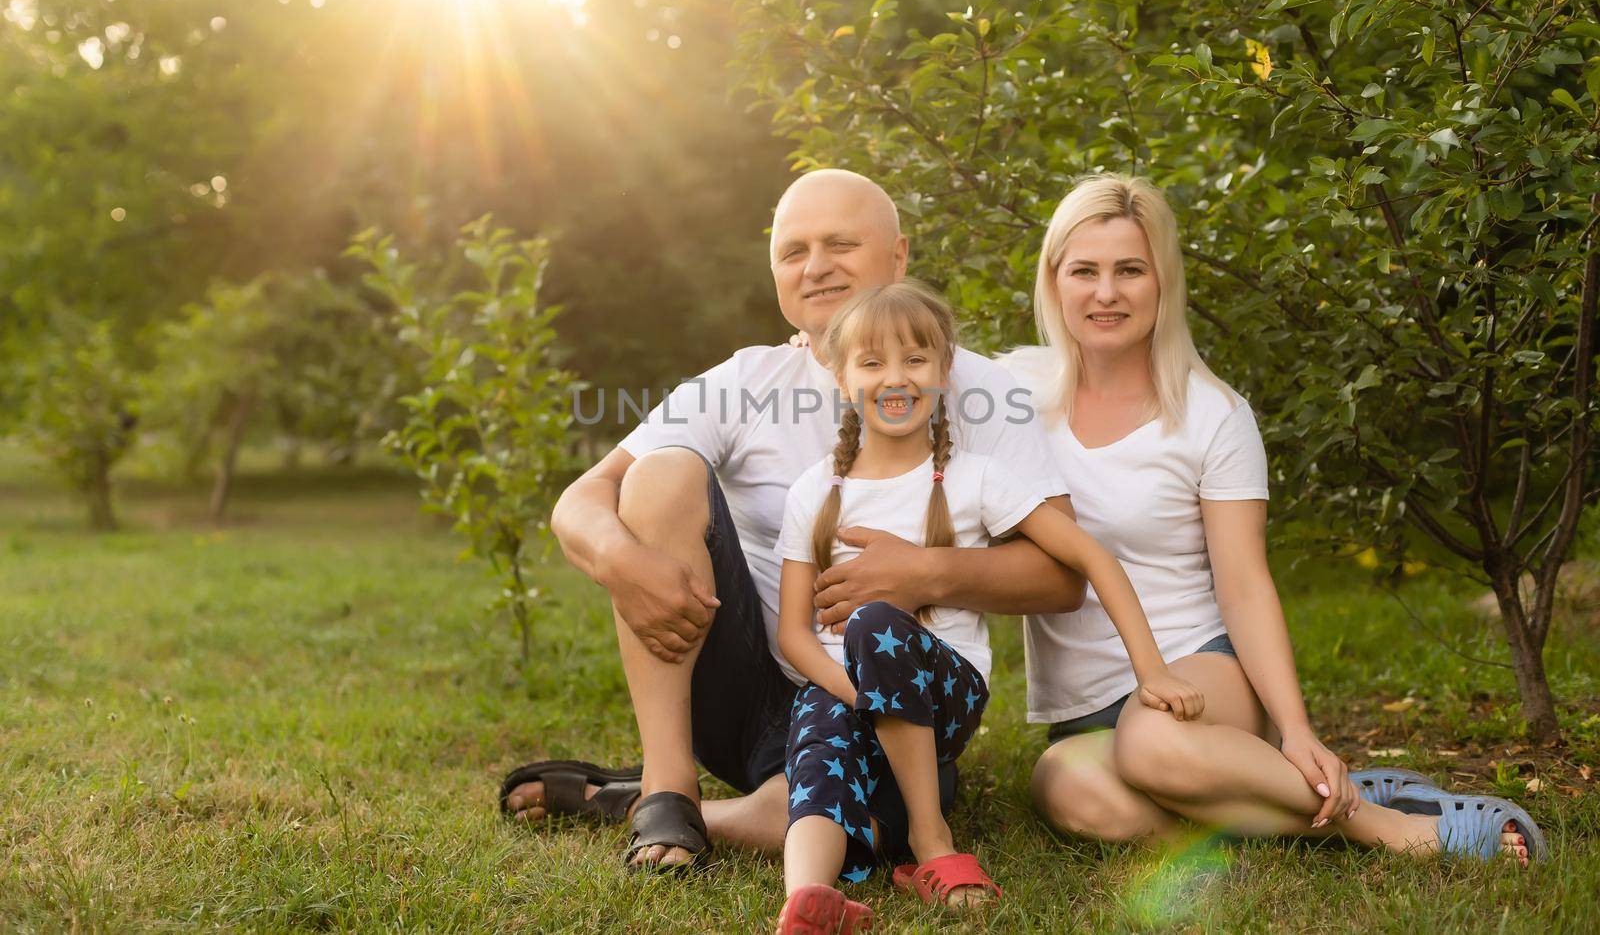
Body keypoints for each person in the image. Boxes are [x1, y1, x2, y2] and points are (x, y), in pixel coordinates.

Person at [499, 169, 1083, 871]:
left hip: (884, 699)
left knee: (866, 823)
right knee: (662, 470)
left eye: (841, 243)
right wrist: (621, 560)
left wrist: (926, 569)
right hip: (745, 688)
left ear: (898, 257)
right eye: (793, 250)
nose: (815, 266)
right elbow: (581, 499)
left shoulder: (983, 390)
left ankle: (649, 807)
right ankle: (667, 784)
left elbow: (1062, 577)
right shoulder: (745, 381)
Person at [1011, 173, 1544, 864]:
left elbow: (1244, 585)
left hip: (1202, 671)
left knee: (1150, 742)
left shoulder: (1213, 415)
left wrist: (1295, 725)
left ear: (1164, 281)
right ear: (1054, 279)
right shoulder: (1011, 394)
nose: (1106, 292)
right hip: (1084, 704)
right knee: (1066, 789)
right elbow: (887, 367)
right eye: (1085, 270)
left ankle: (1386, 827)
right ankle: (1308, 800)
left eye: (1130, 270)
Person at [774, 281, 1201, 933]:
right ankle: (810, 898)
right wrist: (856, 699)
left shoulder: (977, 478)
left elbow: (1092, 559)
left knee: (873, 620)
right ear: (839, 377)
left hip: (942, 696)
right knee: (818, 744)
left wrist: (1154, 671)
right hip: (848, 691)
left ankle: (932, 841)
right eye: (872, 362)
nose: (896, 377)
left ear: (944, 371)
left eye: (915, 360)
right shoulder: (813, 492)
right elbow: (795, 636)